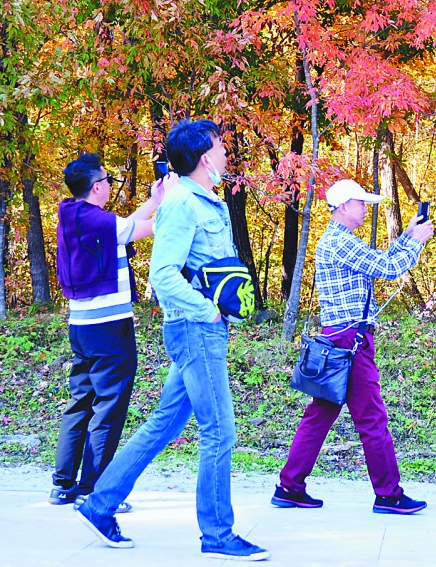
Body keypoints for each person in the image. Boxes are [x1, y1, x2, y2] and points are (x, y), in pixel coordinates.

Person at [76, 120, 267, 560]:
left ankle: (100, 503)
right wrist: (208, 310)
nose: (224, 154)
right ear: (204, 157)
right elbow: (162, 274)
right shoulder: (182, 203)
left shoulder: (200, 198)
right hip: (195, 329)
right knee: (219, 431)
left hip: (197, 329)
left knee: (165, 424)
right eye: (220, 147)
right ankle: (218, 535)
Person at [272, 178, 434, 515]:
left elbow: (383, 260)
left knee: (319, 415)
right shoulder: (339, 242)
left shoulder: (339, 241)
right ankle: (388, 494)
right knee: (371, 418)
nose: (365, 209)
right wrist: (416, 243)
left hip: (341, 338)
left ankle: (290, 486)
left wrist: (407, 237)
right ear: (344, 206)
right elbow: (390, 268)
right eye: (361, 203)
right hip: (351, 341)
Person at [49, 153, 173, 509]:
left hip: (81, 326)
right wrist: (178, 199)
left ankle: (63, 485)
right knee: (109, 408)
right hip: (109, 326)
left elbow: (122, 229)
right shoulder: (97, 220)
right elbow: (149, 228)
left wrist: (155, 199)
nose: (109, 184)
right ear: (98, 187)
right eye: (107, 180)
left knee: (81, 403)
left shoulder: (75, 215)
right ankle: (95, 491)